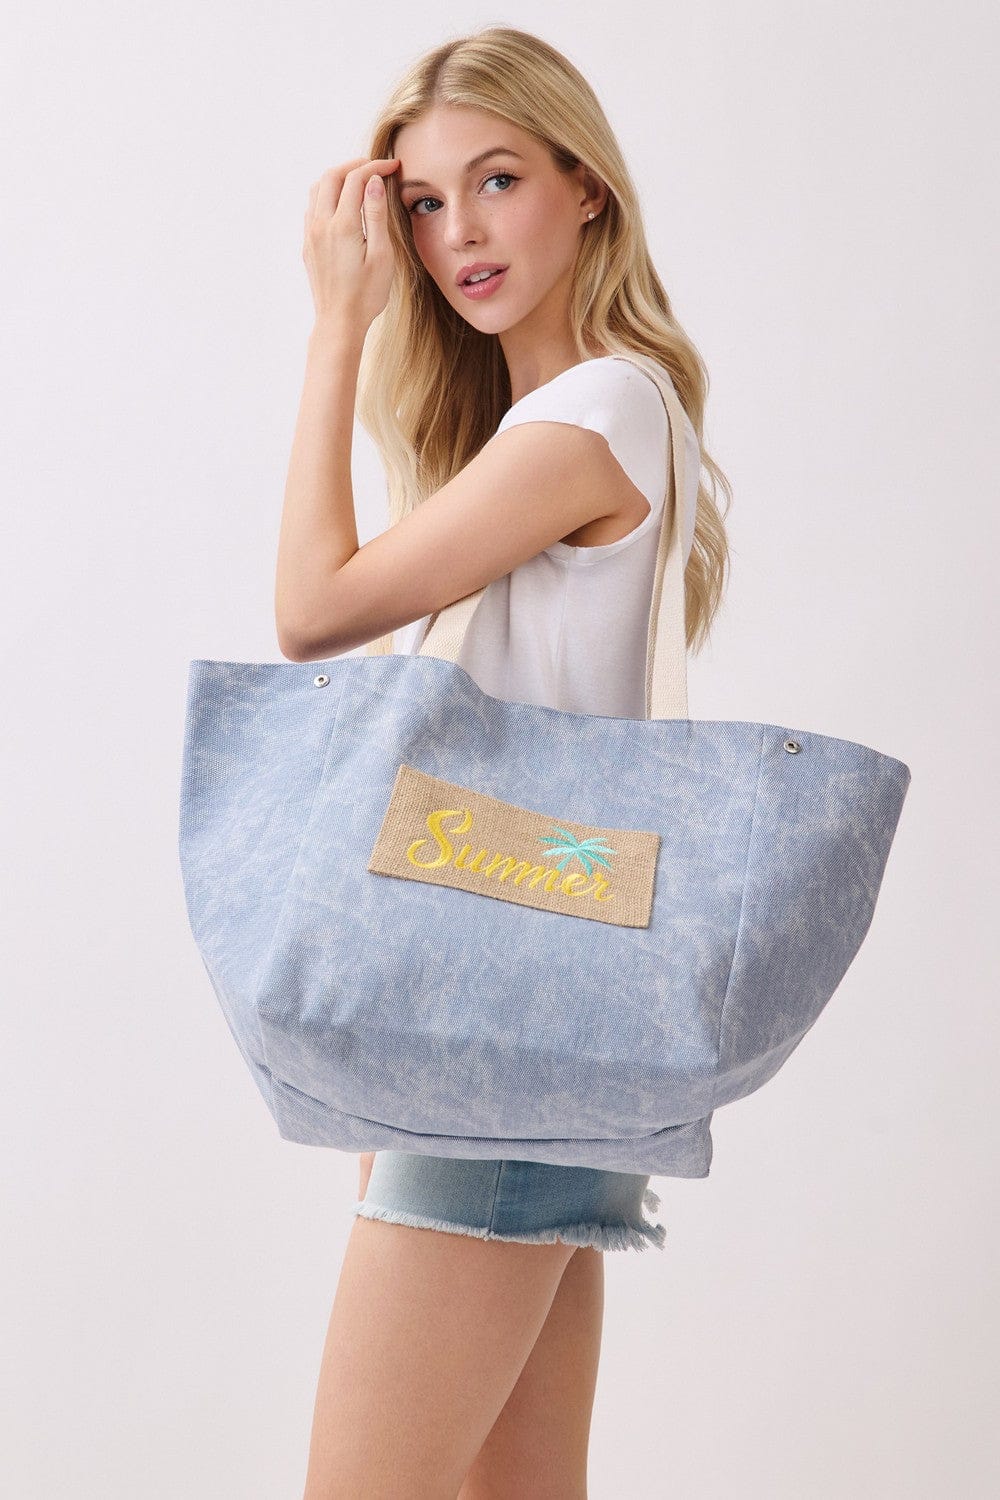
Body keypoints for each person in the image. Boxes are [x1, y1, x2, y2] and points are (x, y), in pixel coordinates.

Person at [275, 25, 731, 1500]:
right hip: (540, 1015)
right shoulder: (564, 420)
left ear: (586, 186)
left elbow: (312, 611)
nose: (457, 233)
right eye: (422, 203)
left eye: (497, 180)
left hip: (502, 1022)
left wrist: (336, 325)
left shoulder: (595, 412)